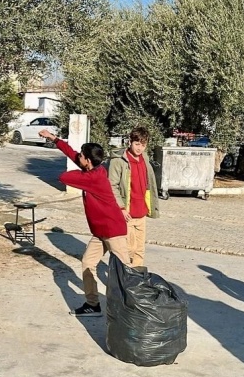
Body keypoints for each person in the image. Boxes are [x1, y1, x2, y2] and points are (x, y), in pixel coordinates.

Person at [38, 129, 131, 317]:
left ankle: (132, 306)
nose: (77, 157)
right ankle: (92, 304)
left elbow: (64, 177)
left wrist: (79, 168)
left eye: (81, 156)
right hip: (100, 232)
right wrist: (54, 139)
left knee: (125, 271)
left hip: (113, 230)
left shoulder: (93, 178)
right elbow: (72, 153)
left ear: (88, 161)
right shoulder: (92, 170)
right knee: (88, 263)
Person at [107, 127, 159, 268]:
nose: (139, 148)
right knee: (128, 250)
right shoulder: (118, 161)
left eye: (143, 145)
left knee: (140, 251)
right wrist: (121, 208)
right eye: (137, 144)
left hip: (141, 213)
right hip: (126, 214)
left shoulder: (145, 158)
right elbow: (112, 186)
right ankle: (122, 278)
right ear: (130, 142)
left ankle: (137, 281)